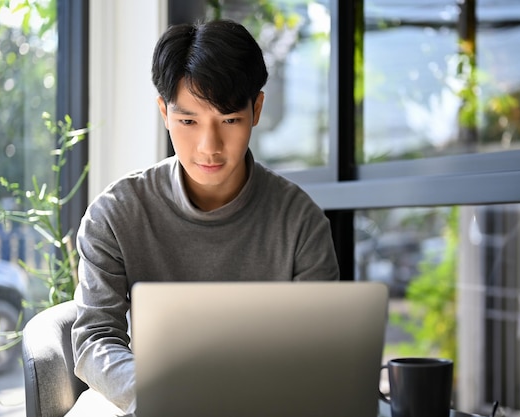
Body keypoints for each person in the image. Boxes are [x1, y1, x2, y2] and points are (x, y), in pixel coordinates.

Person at [69, 19, 339, 416]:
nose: (208, 147)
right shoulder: (115, 214)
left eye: (229, 121)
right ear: (164, 112)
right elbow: (95, 338)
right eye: (188, 121)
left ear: (257, 109)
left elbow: (321, 347)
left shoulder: (300, 222)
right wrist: (159, 396)